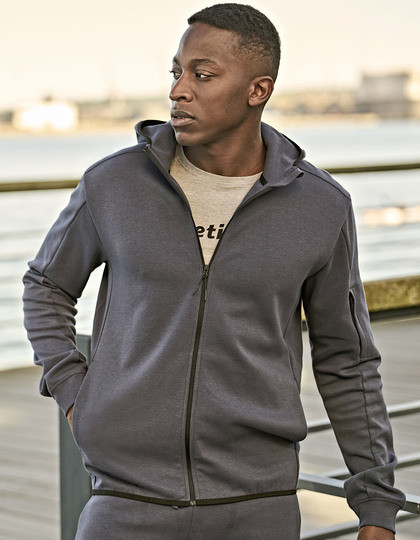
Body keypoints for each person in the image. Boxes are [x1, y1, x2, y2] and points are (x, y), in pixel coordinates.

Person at [23, 3, 405, 539]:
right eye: (176, 72)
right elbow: (46, 284)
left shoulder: (321, 206)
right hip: (124, 499)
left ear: (258, 90)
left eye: (202, 75)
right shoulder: (114, 184)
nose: (179, 90)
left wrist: (376, 503)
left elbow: (347, 359)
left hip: (259, 505)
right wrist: (74, 394)